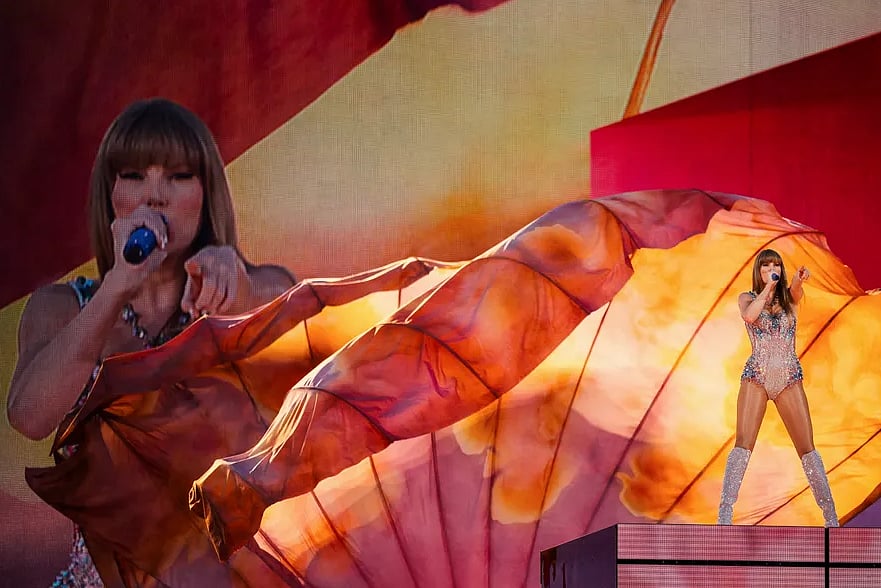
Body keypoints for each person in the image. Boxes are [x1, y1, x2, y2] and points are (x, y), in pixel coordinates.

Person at [5, 98, 295, 586]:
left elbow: (292, 324)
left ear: (205, 194)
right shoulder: (60, 307)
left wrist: (238, 286)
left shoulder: (256, 289)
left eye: (178, 176)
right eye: (134, 175)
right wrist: (118, 286)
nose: (154, 196)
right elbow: (29, 417)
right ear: (110, 194)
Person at [717, 248, 838, 527]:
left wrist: (797, 280)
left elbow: (795, 291)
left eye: (776, 266)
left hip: (788, 378)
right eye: (766, 266)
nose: (772, 270)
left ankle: (831, 518)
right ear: (758, 271)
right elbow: (750, 316)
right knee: (743, 443)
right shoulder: (747, 298)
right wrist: (768, 288)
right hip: (757, 377)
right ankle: (724, 516)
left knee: (807, 447)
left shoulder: (789, 300)